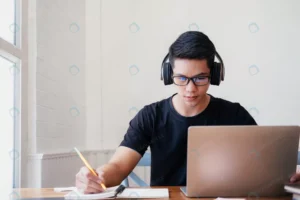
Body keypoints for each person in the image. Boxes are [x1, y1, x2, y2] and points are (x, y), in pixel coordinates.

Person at [75, 31, 300, 194]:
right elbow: (118, 166)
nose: (190, 89)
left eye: (200, 78)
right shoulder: (150, 116)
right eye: (181, 78)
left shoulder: (235, 114)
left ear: (214, 75)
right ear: (168, 75)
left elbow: (264, 167)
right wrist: (99, 176)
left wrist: (290, 177)